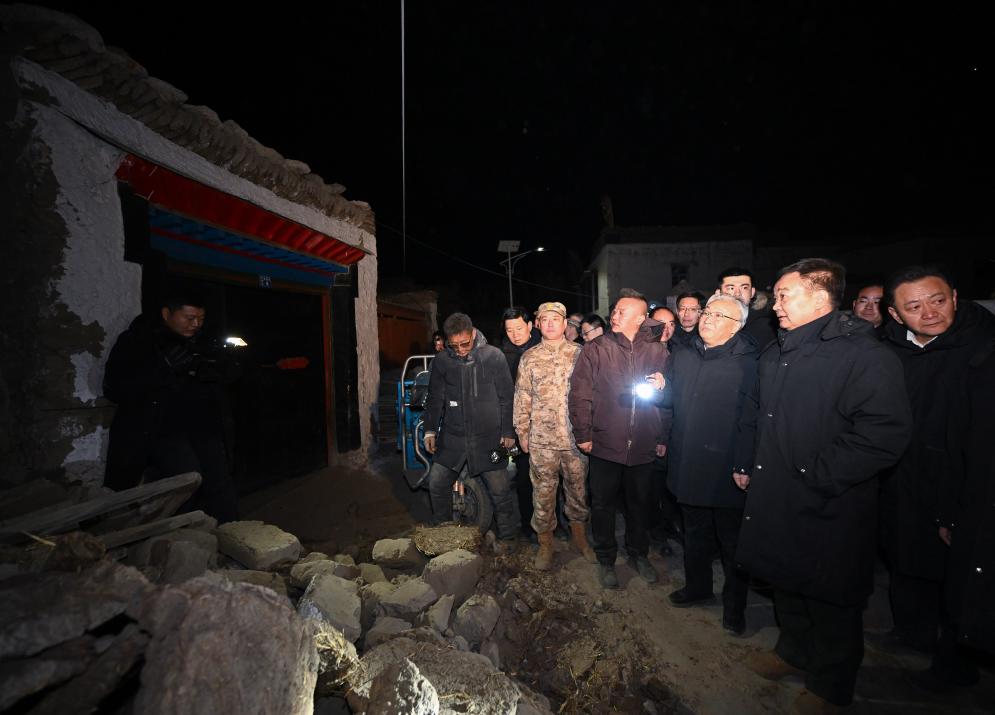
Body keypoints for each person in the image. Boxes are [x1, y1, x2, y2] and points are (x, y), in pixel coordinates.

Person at [736, 258, 912, 711]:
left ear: (820, 298)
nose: (774, 305)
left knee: (831, 596)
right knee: (787, 581)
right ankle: (792, 653)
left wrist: (812, 474)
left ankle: (832, 686)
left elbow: (882, 434)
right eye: (775, 296)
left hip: (830, 499)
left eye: (783, 295)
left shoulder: (864, 356)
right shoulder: (778, 353)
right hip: (777, 494)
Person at [878, 266, 995, 688]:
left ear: (956, 297)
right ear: (894, 314)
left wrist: (956, 506)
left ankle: (955, 663)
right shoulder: (889, 350)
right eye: (914, 306)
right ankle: (912, 632)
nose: (929, 313)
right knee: (905, 560)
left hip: (959, 484)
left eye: (938, 301)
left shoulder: (980, 350)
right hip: (901, 478)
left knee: (956, 576)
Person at [663, 295, 758, 636]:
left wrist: (745, 463)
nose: (707, 319)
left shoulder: (750, 362)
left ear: (738, 326)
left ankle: (735, 608)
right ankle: (697, 587)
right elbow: (669, 400)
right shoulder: (683, 354)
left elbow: (754, 420)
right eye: (707, 312)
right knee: (694, 533)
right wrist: (658, 388)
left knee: (733, 543)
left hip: (729, 468)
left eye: (719, 315)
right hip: (688, 460)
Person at [104, 291, 241, 523]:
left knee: (219, 482)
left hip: (204, 428)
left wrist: (216, 370)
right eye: (189, 318)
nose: (196, 324)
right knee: (185, 482)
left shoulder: (202, 341)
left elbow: (230, 373)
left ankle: (231, 539)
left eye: (201, 318)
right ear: (167, 314)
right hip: (161, 432)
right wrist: (163, 368)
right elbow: (115, 388)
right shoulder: (138, 342)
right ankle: (177, 541)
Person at [569, 288, 669, 589]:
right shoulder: (596, 348)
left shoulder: (658, 351)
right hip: (605, 442)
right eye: (614, 310)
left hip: (642, 442)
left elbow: (671, 397)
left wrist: (661, 429)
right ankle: (606, 559)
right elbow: (579, 394)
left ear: (640, 318)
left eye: (622, 311)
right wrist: (583, 433)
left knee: (640, 504)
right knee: (603, 506)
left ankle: (638, 554)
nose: (614, 315)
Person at [422, 312, 518, 549]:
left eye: (465, 343)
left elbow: (507, 397)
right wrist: (430, 430)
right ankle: (444, 535)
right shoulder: (442, 361)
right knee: (436, 483)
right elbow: (435, 399)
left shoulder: (493, 357)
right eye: (454, 346)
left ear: (473, 333)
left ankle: (508, 539)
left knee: (501, 490)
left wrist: (508, 432)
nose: (461, 350)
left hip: (491, 439)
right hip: (453, 437)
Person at [513, 301, 595, 570]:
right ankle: (546, 543)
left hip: (574, 441)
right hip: (541, 442)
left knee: (578, 492)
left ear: (564, 324)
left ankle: (579, 539)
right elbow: (522, 397)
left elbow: (592, 396)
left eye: (555, 319)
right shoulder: (529, 357)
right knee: (544, 494)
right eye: (544, 319)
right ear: (537, 324)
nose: (549, 323)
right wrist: (522, 431)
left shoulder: (580, 354)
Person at [500, 306, 542, 537]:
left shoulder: (542, 348)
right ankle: (527, 524)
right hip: (518, 429)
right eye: (509, 330)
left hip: (545, 426)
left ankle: (553, 525)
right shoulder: (501, 356)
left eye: (519, 328)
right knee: (524, 477)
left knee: (548, 479)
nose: (515, 334)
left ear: (529, 326)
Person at [647, 304, 682, 553]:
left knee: (667, 488)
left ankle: (667, 529)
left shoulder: (679, 353)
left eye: (671, 324)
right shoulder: (641, 354)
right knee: (648, 490)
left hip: (671, 433)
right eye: (660, 323)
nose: (666, 329)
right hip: (647, 432)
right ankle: (654, 536)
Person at [715, 267, 777, 347]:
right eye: (731, 288)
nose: (737, 294)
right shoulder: (707, 322)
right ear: (718, 293)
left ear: (752, 292)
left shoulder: (765, 328)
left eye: (744, 288)